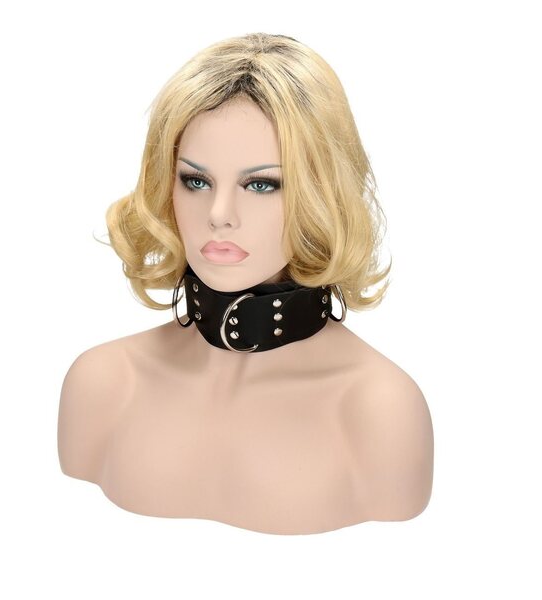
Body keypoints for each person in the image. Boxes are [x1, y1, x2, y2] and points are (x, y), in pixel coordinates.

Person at [57, 32, 434, 536]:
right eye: (196, 181)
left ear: (322, 192)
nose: (219, 214)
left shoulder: (379, 409)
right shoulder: (103, 383)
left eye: (261, 184)